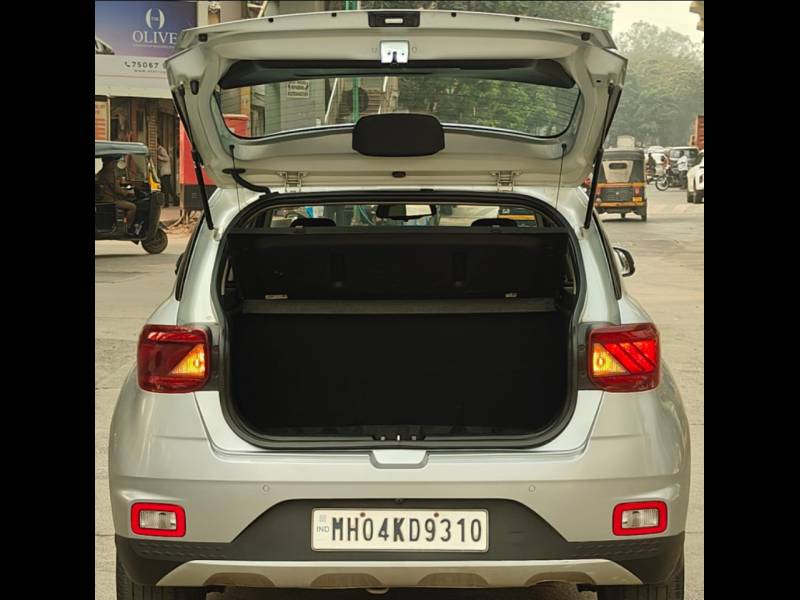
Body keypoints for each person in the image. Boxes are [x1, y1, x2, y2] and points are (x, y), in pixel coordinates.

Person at [96, 156, 137, 231]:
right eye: (113, 163)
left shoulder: (103, 172)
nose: (115, 165)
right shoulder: (108, 173)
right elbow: (116, 189)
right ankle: (128, 228)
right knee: (132, 207)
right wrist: (127, 192)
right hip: (109, 201)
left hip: (106, 199)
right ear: (107, 163)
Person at [157, 140, 177, 207]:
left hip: (165, 172)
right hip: (163, 172)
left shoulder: (162, 150)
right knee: (168, 188)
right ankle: (175, 200)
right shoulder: (159, 150)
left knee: (166, 188)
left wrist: (159, 157)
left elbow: (167, 158)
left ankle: (167, 203)